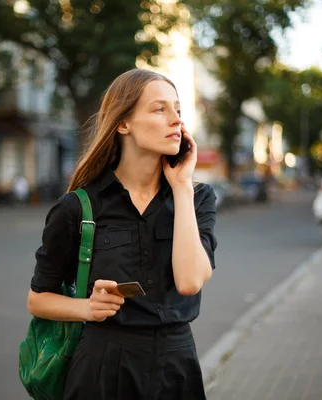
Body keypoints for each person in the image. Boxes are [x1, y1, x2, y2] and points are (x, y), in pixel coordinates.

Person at [27, 69, 217, 400]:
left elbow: (189, 283)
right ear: (123, 123)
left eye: (178, 110)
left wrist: (182, 187)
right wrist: (88, 308)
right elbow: (37, 299)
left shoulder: (197, 198)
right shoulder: (78, 207)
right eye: (160, 109)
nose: (176, 120)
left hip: (176, 365)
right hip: (103, 367)